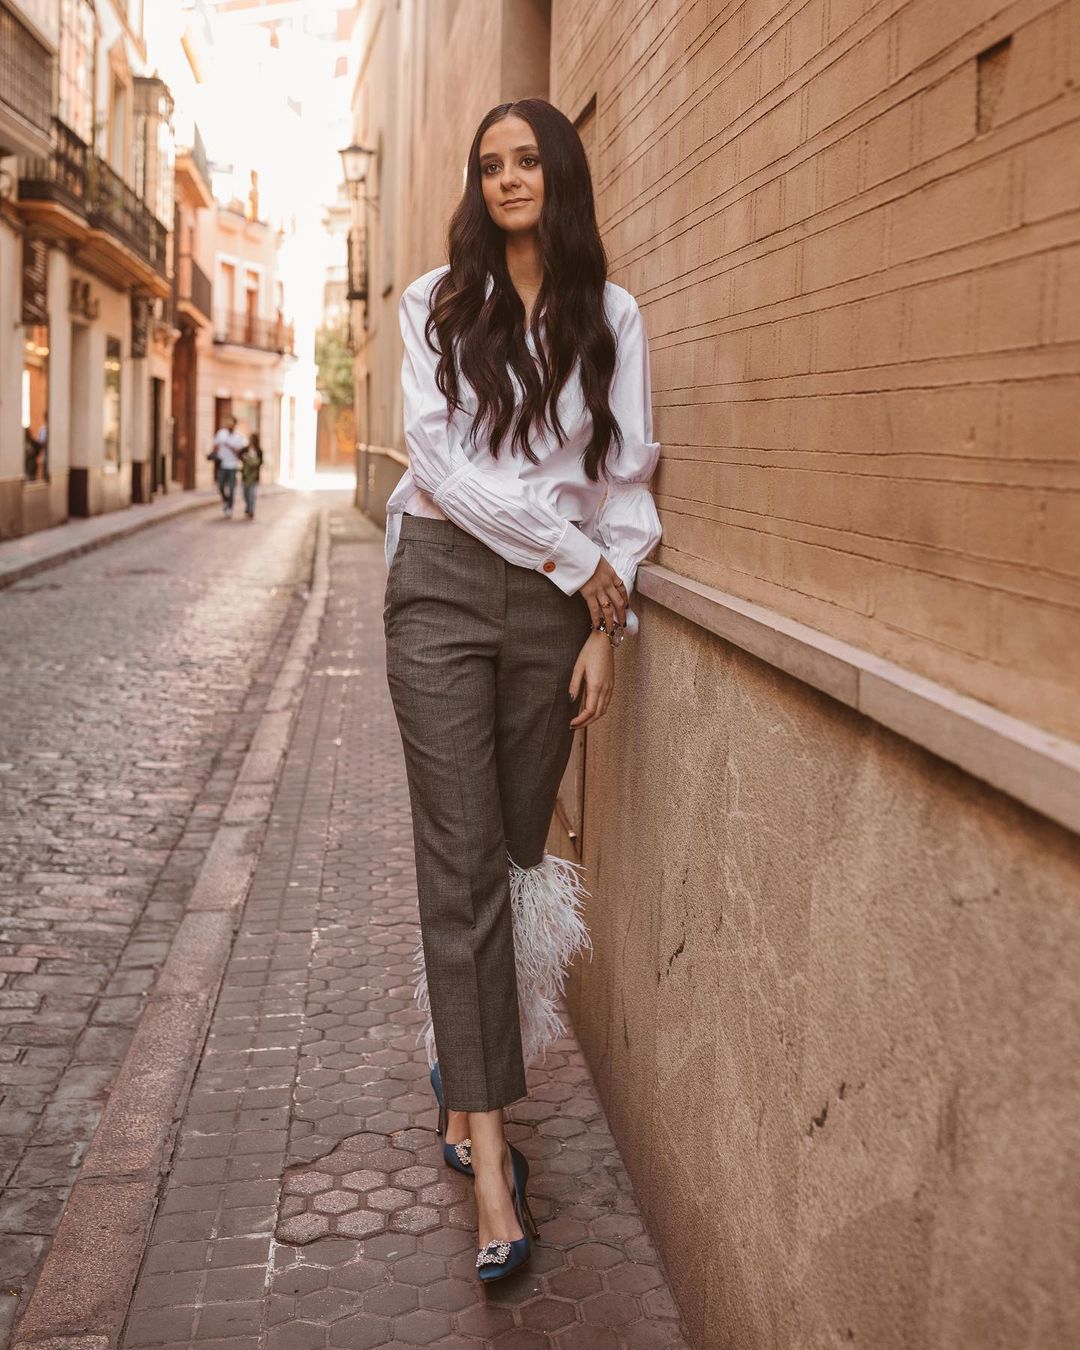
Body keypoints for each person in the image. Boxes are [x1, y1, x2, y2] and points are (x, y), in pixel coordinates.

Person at [382, 98, 662, 1283]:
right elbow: (439, 463)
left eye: (527, 158)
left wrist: (612, 614)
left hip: (559, 619)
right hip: (443, 585)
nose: (508, 178)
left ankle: (465, 1086)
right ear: (474, 181)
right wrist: (573, 561)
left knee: (508, 853)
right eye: (489, 163)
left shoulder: (613, 317)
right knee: (459, 871)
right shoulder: (432, 304)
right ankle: (495, 1168)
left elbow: (628, 492)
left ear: (561, 172)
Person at [209, 415, 245, 517]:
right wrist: (213, 454)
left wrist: (230, 446)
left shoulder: (238, 436)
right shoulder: (221, 433)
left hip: (233, 465)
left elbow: (239, 452)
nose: (229, 424)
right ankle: (226, 501)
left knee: (232, 488)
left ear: (234, 424)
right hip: (222, 464)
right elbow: (215, 446)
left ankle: (229, 507)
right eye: (228, 422)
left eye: (231, 423)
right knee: (220, 486)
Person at [240, 433, 263, 519]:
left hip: (254, 476)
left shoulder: (259, 451)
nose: (251, 440)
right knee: (245, 494)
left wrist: (249, 460)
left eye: (252, 439)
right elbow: (240, 456)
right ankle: (248, 506)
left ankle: (251, 510)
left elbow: (260, 462)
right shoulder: (245, 449)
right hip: (245, 475)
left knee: (252, 494)